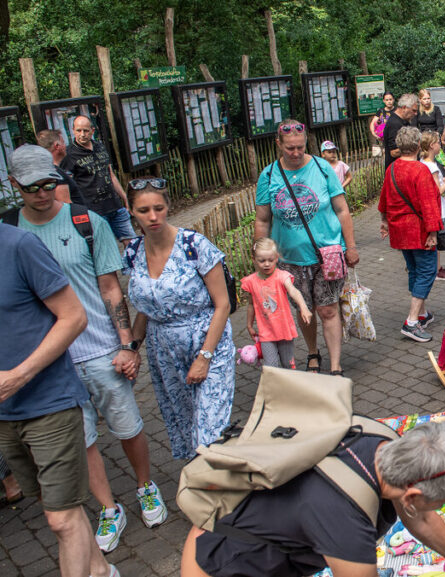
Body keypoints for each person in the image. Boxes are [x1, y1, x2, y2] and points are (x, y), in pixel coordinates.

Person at [9, 145, 167, 553]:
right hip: (51, 362)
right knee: (82, 438)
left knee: (127, 425)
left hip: (99, 348)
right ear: (14, 186)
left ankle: (145, 485)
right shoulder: (11, 233)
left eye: (49, 183)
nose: (42, 194)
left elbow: (111, 287)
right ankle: (108, 507)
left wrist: (127, 344)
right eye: (32, 188)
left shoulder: (86, 223)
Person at [180, 422, 445, 577]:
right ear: (412, 494)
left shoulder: (385, 442)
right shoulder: (345, 525)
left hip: (241, 527)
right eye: (444, 503)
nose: (443, 509)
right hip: (219, 561)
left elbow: (422, 520)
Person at [0, 221, 121, 577]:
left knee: (60, 520)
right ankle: (100, 571)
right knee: (58, 506)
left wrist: (19, 375)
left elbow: (74, 317)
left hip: (49, 402)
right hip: (6, 416)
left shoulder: (19, 246)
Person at [123, 178, 236, 459]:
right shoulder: (134, 252)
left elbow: (222, 305)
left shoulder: (193, 245)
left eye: (159, 208)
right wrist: (132, 349)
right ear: (132, 212)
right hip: (165, 351)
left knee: (209, 432)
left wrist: (205, 356)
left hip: (207, 341)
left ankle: (223, 493)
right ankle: (207, 494)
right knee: (187, 429)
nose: (152, 217)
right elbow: (146, 308)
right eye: (143, 210)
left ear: (168, 206)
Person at [255, 120, 359, 375]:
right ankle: (313, 352)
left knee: (327, 308)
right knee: (306, 311)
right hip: (290, 259)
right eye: (290, 148)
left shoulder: (322, 168)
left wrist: (351, 246)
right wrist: (260, 257)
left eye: (300, 147)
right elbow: (262, 219)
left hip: (328, 254)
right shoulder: (268, 176)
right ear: (278, 144)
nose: (296, 153)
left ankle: (335, 365)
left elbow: (341, 209)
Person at [379, 127, 443, 343]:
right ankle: (412, 321)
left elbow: (385, 197)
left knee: (414, 269)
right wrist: (433, 231)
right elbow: (428, 203)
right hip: (419, 230)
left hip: (400, 229)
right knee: (427, 270)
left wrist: (384, 220)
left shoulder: (392, 168)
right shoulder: (420, 170)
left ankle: (422, 314)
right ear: (418, 146)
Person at [60, 116, 134, 245]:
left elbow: (111, 175)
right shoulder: (69, 154)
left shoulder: (100, 146)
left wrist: (125, 197)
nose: (82, 134)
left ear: (92, 131)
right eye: (78, 130)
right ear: (73, 130)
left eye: (85, 130)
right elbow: (68, 187)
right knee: (108, 249)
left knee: (133, 244)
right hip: (94, 211)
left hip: (115, 205)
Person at [242, 238, 313, 369]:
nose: (267, 264)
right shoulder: (251, 282)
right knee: (270, 366)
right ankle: (273, 389)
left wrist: (304, 308)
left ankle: (291, 388)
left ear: (277, 258)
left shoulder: (282, 276)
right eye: (262, 261)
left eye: (271, 260)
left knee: (288, 364)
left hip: (284, 329)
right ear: (254, 260)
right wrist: (249, 324)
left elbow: (294, 291)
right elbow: (251, 305)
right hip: (266, 332)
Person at [420, 131, 445, 283]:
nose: (440, 145)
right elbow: (437, 191)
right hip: (437, 207)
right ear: (432, 145)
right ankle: (435, 269)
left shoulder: (422, 162)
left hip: (431, 207)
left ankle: (433, 268)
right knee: (436, 239)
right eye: (438, 142)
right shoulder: (432, 166)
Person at [35, 129, 84, 205]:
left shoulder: (48, 170)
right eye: (63, 143)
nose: (65, 146)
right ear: (57, 146)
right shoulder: (55, 173)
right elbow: (66, 205)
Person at [384, 94, 419, 170]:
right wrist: (416, 147)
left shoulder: (404, 121)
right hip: (397, 170)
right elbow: (393, 152)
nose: (415, 114)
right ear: (404, 108)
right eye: (413, 110)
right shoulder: (394, 124)